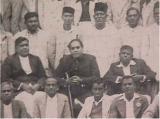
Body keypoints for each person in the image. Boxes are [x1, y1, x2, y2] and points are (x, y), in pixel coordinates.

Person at [55, 38, 100, 117]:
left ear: (82, 48)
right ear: (69, 50)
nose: (75, 50)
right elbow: (55, 77)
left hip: (86, 91)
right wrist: (66, 81)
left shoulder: (91, 59)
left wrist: (82, 80)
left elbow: (97, 77)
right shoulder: (64, 60)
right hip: (69, 93)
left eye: (77, 47)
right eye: (73, 48)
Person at [78, 2, 120, 77]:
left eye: (101, 14)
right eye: (97, 14)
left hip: (109, 68)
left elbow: (116, 53)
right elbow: (85, 51)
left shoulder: (113, 31)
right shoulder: (87, 31)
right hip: (91, 69)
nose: (99, 17)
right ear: (94, 16)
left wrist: (112, 70)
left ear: (106, 16)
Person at [12, 12, 56, 76]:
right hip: (24, 73)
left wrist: (55, 72)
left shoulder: (46, 35)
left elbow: (51, 56)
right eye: (30, 21)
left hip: (43, 71)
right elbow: (14, 56)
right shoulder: (18, 36)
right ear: (25, 23)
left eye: (35, 21)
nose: (33, 23)